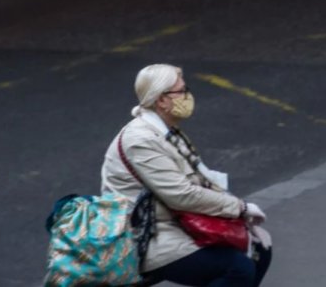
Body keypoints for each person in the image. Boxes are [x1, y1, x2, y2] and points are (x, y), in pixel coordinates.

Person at [101, 64, 273, 287]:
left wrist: (239, 216)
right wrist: (240, 208)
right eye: (181, 91)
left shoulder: (166, 131)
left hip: (175, 224)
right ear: (161, 100)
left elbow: (200, 179)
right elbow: (181, 195)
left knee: (258, 251)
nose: (187, 96)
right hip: (147, 237)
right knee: (238, 269)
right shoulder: (141, 140)